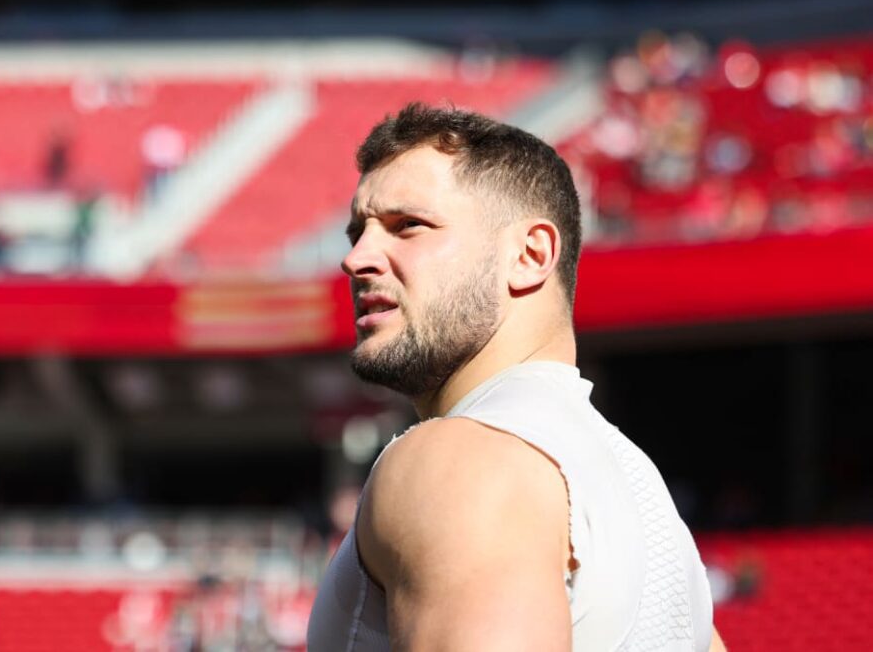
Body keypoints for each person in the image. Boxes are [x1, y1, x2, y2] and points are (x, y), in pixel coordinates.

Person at [307, 104, 726, 651]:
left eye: (408, 225)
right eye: (356, 232)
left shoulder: (460, 460)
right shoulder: (655, 518)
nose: (357, 258)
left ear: (530, 255)